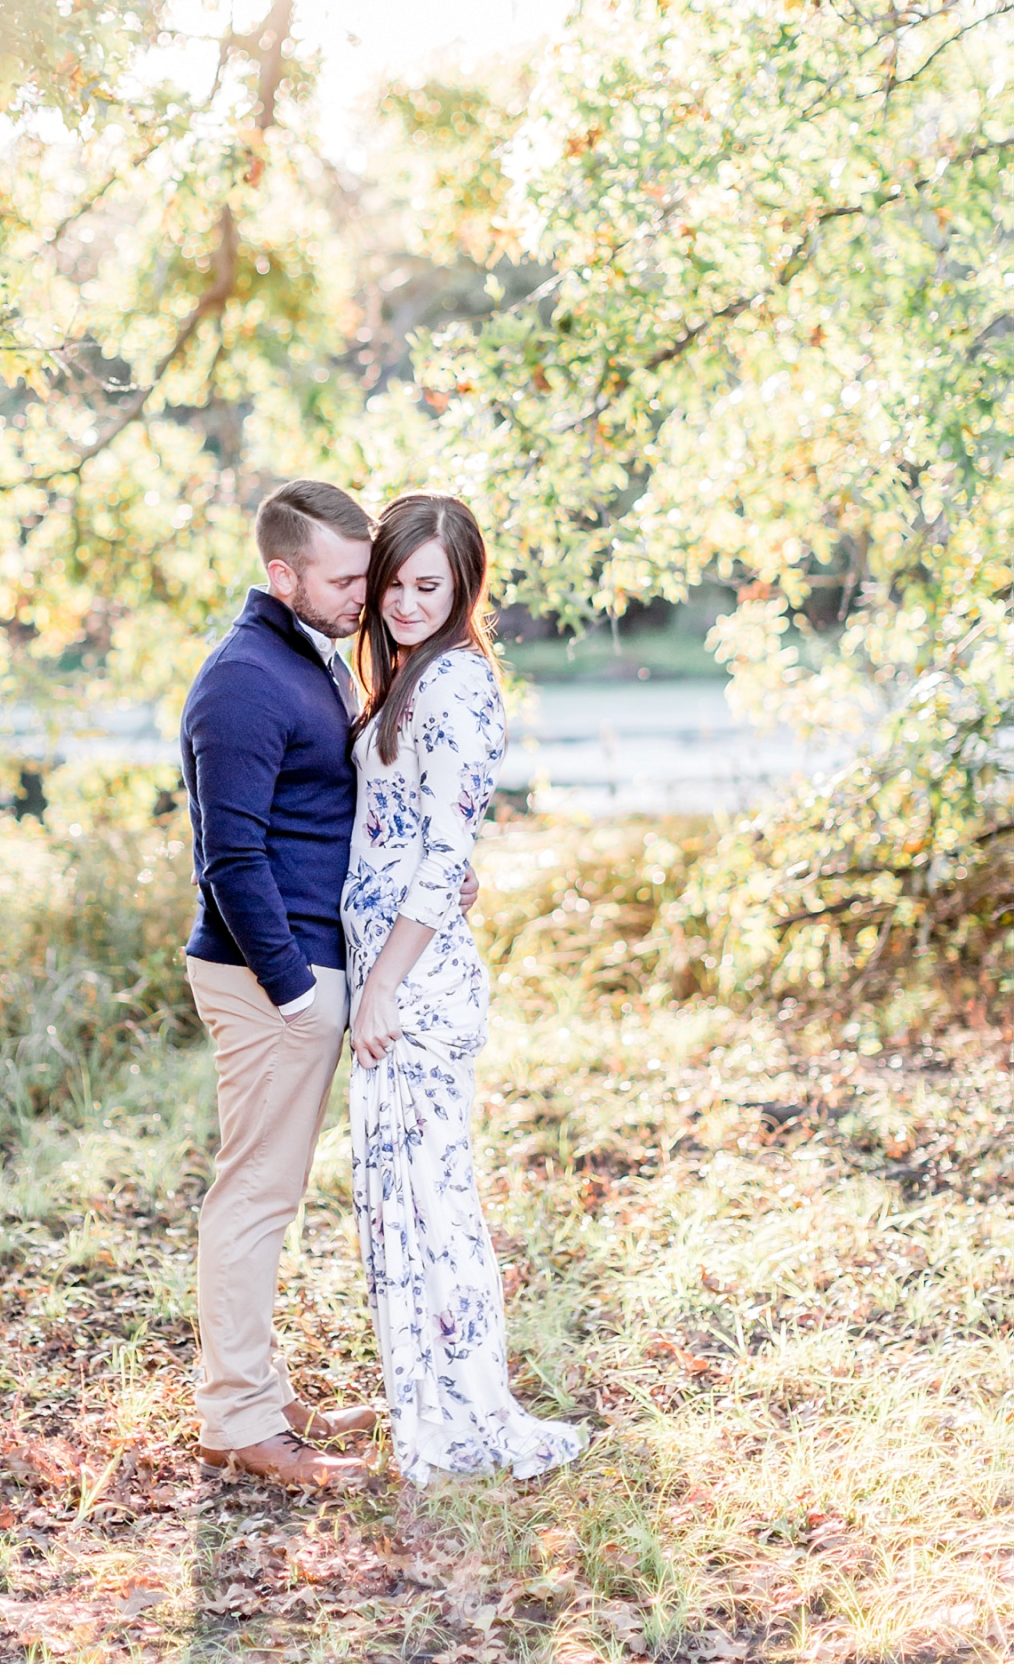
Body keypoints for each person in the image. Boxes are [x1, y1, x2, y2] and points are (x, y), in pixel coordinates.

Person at [180, 479, 478, 1490]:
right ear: (284, 576)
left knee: (272, 1191)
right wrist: (296, 992)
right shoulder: (244, 681)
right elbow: (231, 857)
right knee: (254, 1196)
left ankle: (262, 1389)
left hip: (313, 965)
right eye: (347, 578)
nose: (367, 596)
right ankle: (239, 1420)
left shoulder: (301, 660)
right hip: (273, 978)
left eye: (374, 575)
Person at [344, 492, 587, 1487]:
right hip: (391, 975)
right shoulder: (409, 674)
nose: (405, 600)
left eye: (427, 585)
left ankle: (468, 1414)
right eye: (393, 582)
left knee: (435, 1209)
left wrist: (382, 988)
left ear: (463, 587)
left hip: (414, 991)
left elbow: (446, 860)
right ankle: (430, 1405)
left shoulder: (455, 689)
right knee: (403, 1210)